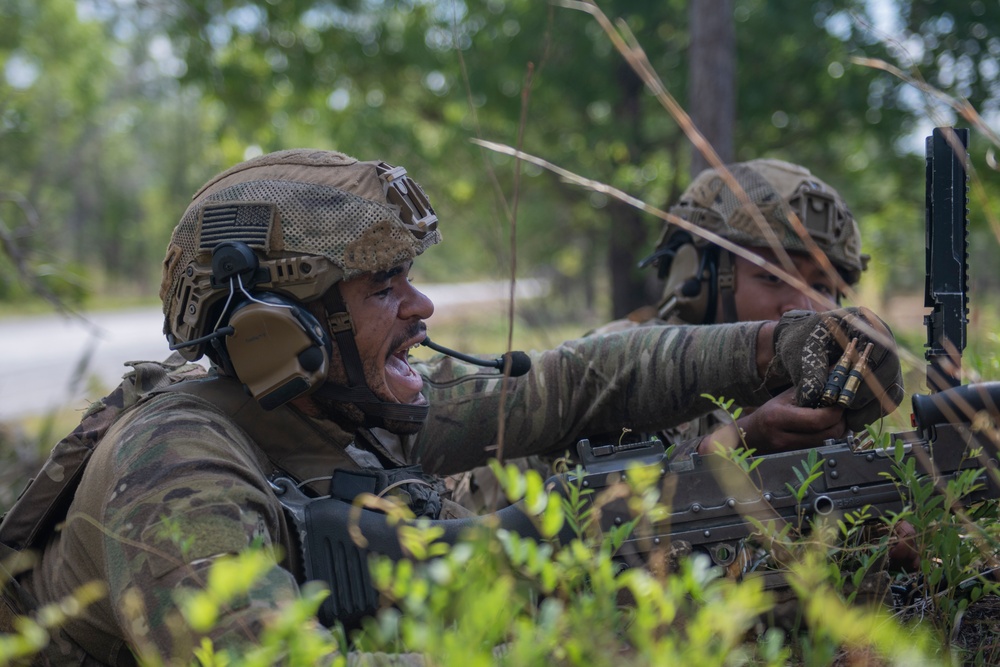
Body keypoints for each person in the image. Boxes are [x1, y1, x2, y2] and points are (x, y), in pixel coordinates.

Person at [0, 149, 903, 664]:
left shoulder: (340, 402)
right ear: (283, 329)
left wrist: (778, 347)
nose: (421, 308)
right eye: (383, 285)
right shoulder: (174, 468)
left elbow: (581, 380)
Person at [451, 158, 871, 513]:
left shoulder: (831, 391)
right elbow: (620, 518)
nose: (807, 307)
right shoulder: (625, 368)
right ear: (702, 279)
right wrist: (742, 441)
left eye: (822, 286)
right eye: (771, 277)